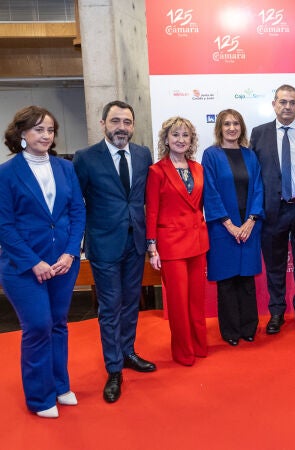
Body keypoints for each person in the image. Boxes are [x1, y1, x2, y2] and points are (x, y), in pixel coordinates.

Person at [0, 106, 86, 418]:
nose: (45, 135)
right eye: (38, 129)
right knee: (38, 326)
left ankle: (60, 385)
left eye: (49, 129)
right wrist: (33, 262)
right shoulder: (6, 173)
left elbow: (77, 211)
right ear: (21, 134)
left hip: (63, 262)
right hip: (24, 267)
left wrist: (70, 252)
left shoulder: (66, 168)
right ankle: (39, 397)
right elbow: (4, 225)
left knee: (59, 324)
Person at [73, 100, 155, 404]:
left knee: (131, 302)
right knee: (110, 307)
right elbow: (74, 203)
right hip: (104, 245)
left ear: (133, 126)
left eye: (127, 122)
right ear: (103, 124)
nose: (122, 127)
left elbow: (147, 199)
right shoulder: (85, 158)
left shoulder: (143, 154)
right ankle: (114, 367)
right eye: (116, 121)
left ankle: (128, 352)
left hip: (135, 243)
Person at [250, 85, 295, 334]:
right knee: (275, 264)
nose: (287, 106)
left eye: (292, 102)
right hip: (272, 210)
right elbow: (254, 177)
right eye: (282, 102)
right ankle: (277, 311)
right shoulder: (259, 134)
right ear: (274, 104)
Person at [146, 117, 209, 366]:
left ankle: (199, 345)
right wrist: (152, 247)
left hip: (198, 242)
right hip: (171, 245)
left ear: (191, 140)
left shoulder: (198, 168)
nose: (181, 140)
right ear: (166, 139)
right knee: (179, 303)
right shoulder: (156, 170)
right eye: (175, 135)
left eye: (185, 135)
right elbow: (151, 210)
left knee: (196, 300)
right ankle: (183, 351)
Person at [202, 109, 264, 346]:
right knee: (227, 282)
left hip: (249, 227)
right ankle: (230, 331)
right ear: (219, 127)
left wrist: (250, 221)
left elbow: (259, 188)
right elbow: (211, 192)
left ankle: (249, 327)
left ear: (242, 128)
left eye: (236, 123)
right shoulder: (211, 155)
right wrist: (229, 224)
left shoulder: (250, 155)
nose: (231, 128)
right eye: (227, 124)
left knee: (247, 280)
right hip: (222, 229)